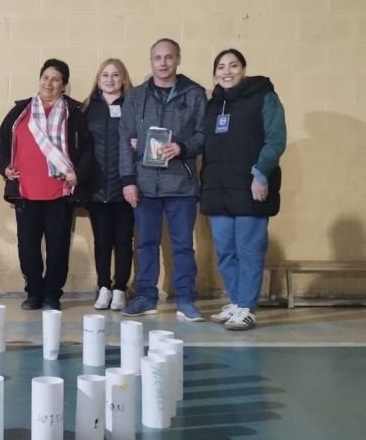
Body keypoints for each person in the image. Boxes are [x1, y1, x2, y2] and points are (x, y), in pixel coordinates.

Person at [118, 38, 207, 321]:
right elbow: (124, 138)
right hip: (144, 184)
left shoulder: (194, 94)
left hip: (181, 182)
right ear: (151, 61)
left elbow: (204, 135)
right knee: (144, 243)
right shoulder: (136, 96)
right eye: (158, 57)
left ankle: (186, 299)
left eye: (169, 57)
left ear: (178, 59)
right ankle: (145, 295)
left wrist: (182, 147)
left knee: (182, 245)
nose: (163, 63)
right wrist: (128, 180)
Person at [0, 58, 92, 311]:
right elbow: (2, 143)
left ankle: (52, 295)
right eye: (45, 77)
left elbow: (88, 149)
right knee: (27, 247)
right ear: (39, 80)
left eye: (56, 79)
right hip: (26, 191)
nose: (49, 83)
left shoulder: (74, 113)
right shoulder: (20, 112)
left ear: (64, 86)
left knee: (58, 246)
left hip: (60, 192)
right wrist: (5, 166)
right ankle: (34, 292)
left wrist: (78, 175)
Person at [201, 49, 286, 331]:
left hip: (250, 187)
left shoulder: (264, 97)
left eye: (233, 66)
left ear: (244, 69)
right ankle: (237, 302)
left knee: (248, 249)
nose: (227, 71)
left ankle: (248, 308)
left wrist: (260, 174)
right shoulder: (214, 105)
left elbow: (275, 139)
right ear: (215, 73)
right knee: (225, 250)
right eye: (221, 67)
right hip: (218, 189)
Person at [79, 58, 135, 312]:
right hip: (97, 187)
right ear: (98, 79)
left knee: (124, 240)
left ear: (123, 79)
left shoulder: (133, 105)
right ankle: (103, 286)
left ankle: (120, 288)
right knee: (102, 240)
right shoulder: (88, 108)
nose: (110, 79)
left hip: (126, 186)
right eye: (105, 75)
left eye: (116, 75)